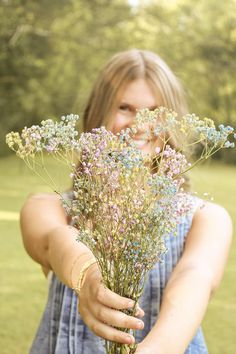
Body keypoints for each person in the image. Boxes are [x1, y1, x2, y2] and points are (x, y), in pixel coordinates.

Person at [20, 49, 232, 354]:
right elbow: (56, 241)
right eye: (124, 107)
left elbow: (194, 278)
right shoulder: (48, 207)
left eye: (155, 111)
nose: (140, 124)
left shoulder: (206, 218)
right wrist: (88, 277)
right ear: (97, 114)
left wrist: (156, 349)